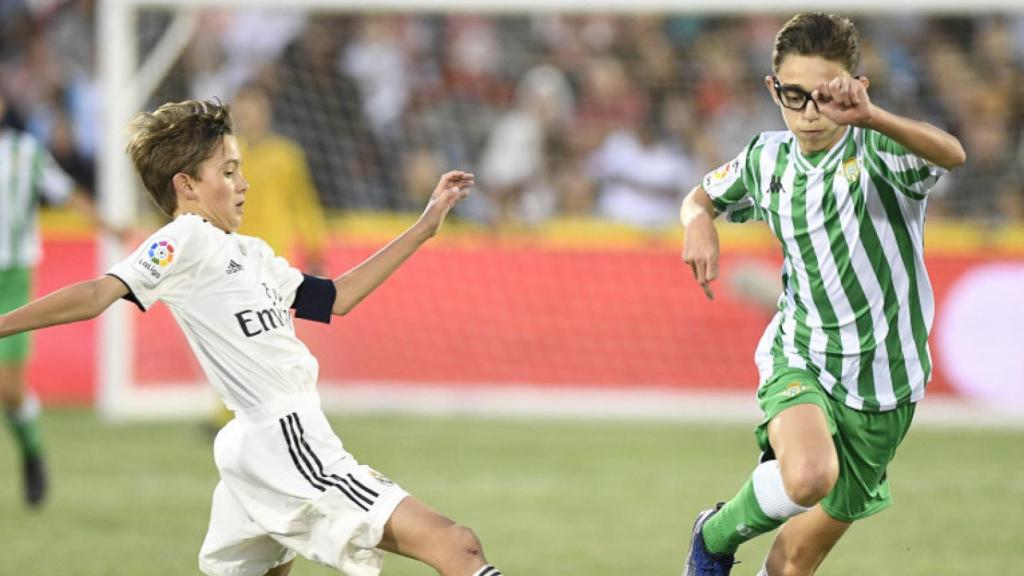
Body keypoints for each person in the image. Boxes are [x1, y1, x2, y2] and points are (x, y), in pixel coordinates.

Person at [0, 99, 503, 576]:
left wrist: (423, 226)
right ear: (187, 185)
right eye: (228, 171)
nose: (244, 182)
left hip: (258, 446)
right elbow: (96, 294)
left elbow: (335, 298)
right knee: (457, 544)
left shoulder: (252, 253)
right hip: (285, 439)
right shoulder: (185, 237)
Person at [678, 13, 965, 576]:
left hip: (889, 383)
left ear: (855, 88)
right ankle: (712, 538)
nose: (809, 112)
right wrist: (698, 220)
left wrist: (874, 116)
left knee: (795, 561)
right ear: (773, 88)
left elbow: (951, 154)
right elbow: (700, 197)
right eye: (794, 95)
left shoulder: (881, 149)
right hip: (802, 353)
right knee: (808, 477)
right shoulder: (767, 159)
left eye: (825, 96)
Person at [0, 91, 121, 507]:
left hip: (11, 277)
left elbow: (67, 193)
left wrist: (110, 227)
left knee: (8, 388)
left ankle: (33, 451)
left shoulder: (25, 151)